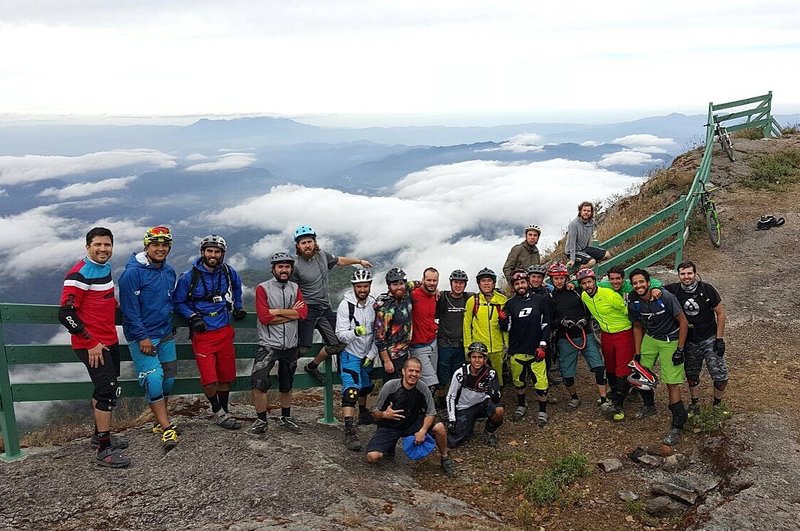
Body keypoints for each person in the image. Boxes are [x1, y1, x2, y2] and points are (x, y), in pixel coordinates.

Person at [59, 227, 129, 468]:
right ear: (87, 246)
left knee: (106, 388)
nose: (103, 249)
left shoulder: (104, 268)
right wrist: (91, 343)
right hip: (92, 346)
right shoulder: (78, 274)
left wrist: (118, 307)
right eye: (97, 245)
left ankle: (99, 435)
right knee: (107, 392)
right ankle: (104, 449)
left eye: (107, 245)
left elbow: (104, 297)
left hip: (108, 340)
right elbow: (65, 313)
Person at [173, 234, 246, 430]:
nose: (213, 255)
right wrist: (192, 316)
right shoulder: (189, 277)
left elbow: (237, 288)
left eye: (217, 252)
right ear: (203, 252)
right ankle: (217, 411)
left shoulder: (229, 272)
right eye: (209, 251)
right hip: (203, 333)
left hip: (224, 329)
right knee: (209, 377)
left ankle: (224, 411)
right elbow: (178, 301)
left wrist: (238, 306)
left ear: (222, 254)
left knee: (225, 375)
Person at [118, 226, 179, 450]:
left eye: (165, 245)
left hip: (165, 334)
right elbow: (129, 310)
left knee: (168, 380)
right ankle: (166, 428)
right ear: (147, 246)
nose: (160, 249)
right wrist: (142, 337)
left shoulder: (169, 271)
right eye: (156, 244)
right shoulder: (132, 274)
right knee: (153, 379)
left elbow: (168, 301)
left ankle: (158, 421)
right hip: (143, 337)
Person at [290, 225, 372, 386]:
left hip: (325, 308)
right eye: (303, 243)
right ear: (298, 246)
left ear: (315, 242)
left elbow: (339, 260)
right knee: (303, 347)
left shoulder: (322, 255)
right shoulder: (296, 266)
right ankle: (287, 371)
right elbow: (291, 289)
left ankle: (312, 366)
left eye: (310, 241)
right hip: (308, 309)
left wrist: (359, 261)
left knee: (339, 342)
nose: (307, 245)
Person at [628, 268, 689, 446]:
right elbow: (638, 326)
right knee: (641, 373)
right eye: (635, 283)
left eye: (641, 282)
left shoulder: (665, 297)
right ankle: (649, 406)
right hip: (651, 338)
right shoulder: (634, 302)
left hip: (671, 339)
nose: (638, 286)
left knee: (671, 381)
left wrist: (680, 349)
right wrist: (638, 353)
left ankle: (678, 423)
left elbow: (683, 321)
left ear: (648, 282)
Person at [366, 357, 456, 477]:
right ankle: (389, 447)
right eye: (411, 371)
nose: (414, 374)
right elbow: (374, 411)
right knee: (373, 457)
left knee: (439, 427)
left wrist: (423, 430)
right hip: (390, 426)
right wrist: (384, 414)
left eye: (417, 371)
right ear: (404, 371)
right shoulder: (390, 386)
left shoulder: (423, 387)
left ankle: (444, 458)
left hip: (412, 423)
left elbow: (431, 412)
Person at [249, 252, 308, 435]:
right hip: (268, 344)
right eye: (280, 266)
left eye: (287, 266)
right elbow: (264, 317)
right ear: (273, 269)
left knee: (287, 383)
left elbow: (303, 313)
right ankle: (261, 420)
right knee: (259, 381)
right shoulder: (262, 288)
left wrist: (277, 312)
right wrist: (291, 313)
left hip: (290, 344)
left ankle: (285, 417)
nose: (284, 270)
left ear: (291, 269)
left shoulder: (295, 287)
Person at [663, 261, 728, 416]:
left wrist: (719, 339)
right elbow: (653, 287)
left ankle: (717, 404)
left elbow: (720, 313)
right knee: (692, 375)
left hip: (709, 336)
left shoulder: (707, 289)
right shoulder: (673, 290)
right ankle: (695, 403)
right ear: (679, 275)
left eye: (689, 273)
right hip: (689, 340)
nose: (686, 277)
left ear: (695, 273)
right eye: (683, 274)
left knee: (720, 375)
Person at [547, 262, 608, 410]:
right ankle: (574, 398)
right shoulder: (550, 298)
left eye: (562, 278)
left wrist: (585, 320)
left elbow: (588, 307)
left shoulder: (577, 290)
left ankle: (604, 398)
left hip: (585, 333)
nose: (559, 281)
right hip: (565, 338)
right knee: (567, 373)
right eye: (556, 278)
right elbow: (549, 321)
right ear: (552, 280)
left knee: (599, 367)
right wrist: (561, 322)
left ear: (566, 278)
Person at [579, 268, 634, 421]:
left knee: (621, 368)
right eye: (584, 283)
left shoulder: (609, 294)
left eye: (589, 282)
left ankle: (618, 405)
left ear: (595, 281)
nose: (587, 285)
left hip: (623, 332)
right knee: (609, 366)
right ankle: (615, 392)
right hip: (606, 334)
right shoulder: (584, 296)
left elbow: (628, 311)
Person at [335, 268, 379, 451]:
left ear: (369, 286)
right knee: (351, 391)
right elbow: (340, 334)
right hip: (350, 353)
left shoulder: (374, 304)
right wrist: (355, 332)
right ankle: (349, 431)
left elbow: (379, 332)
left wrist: (372, 353)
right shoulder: (346, 306)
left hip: (367, 353)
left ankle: (363, 414)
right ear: (354, 287)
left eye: (365, 286)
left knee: (366, 386)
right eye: (359, 286)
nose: (362, 289)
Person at [501, 270, 551, 427]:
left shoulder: (540, 300)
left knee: (541, 383)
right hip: (517, 351)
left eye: (522, 282)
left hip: (536, 350)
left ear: (528, 283)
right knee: (519, 382)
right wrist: (502, 320)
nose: (520, 286)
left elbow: (546, 324)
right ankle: (522, 405)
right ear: (513, 287)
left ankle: (543, 410)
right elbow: (506, 328)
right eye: (517, 284)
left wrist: (543, 344)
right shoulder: (510, 304)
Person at [445, 342, 505, 448]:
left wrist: (492, 391)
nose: (477, 360)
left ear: (485, 359)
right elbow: (451, 396)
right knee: (452, 442)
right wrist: (452, 418)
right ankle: (466, 425)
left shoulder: (490, 373)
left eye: (480, 357)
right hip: (464, 407)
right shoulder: (461, 373)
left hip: (483, 403)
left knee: (499, 411)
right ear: (469, 358)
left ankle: (489, 432)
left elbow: (497, 398)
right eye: (474, 357)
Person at [434, 269, 473, 410]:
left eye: (461, 283)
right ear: (451, 283)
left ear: (465, 284)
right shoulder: (443, 298)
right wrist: (435, 290)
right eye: (456, 282)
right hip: (445, 343)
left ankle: (455, 401)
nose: (458, 286)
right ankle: (442, 404)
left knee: (459, 376)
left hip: (461, 345)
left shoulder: (468, 298)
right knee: (442, 377)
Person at [463, 268, 508, 386]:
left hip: (497, 347)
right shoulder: (473, 301)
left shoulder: (502, 300)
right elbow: (467, 325)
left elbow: (506, 325)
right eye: (483, 281)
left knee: (497, 377)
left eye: (489, 280)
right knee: (479, 377)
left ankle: (496, 399)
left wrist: (507, 345)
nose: (486, 283)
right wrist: (468, 347)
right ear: (479, 284)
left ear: (494, 283)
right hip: (479, 348)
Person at [374, 268, 414, 383]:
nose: (399, 287)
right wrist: (386, 361)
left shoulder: (405, 292)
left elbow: (417, 283)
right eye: (395, 284)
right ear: (389, 286)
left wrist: (435, 290)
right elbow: (379, 337)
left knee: (404, 387)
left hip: (405, 352)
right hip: (392, 356)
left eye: (401, 283)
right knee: (393, 389)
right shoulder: (385, 307)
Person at [410, 267, 440, 390]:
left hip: (433, 343)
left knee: (424, 380)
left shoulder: (434, 295)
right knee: (431, 382)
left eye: (434, 280)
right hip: (418, 346)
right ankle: (428, 408)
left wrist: (436, 290)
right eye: (429, 280)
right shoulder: (413, 295)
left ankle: (421, 405)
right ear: (422, 280)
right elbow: (400, 289)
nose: (432, 283)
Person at [565, 201, 611, 270]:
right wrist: (572, 259)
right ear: (580, 211)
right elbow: (572, 242)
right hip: (573, 251)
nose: (586, 212)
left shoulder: (591, 223)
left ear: (591, 212)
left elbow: (589, 239)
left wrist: (591, 253)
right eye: (584, 210)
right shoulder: (573, 224)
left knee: (607, 255)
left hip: (584, 248)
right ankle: (577, 270)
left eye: (588, 211)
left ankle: (587, 265)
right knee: (592, 262)